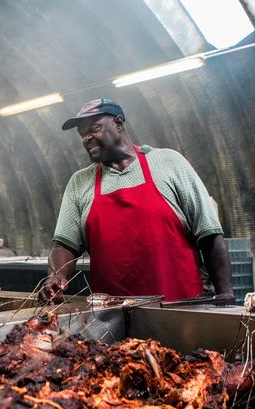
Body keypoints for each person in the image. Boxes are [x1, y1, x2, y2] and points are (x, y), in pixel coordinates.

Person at [39, 99, 234, 304]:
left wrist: (225, 295)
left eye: (94, 128)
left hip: (181, 310)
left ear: (119, 123)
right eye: (82, 134)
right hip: (111, 317)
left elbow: (209, 234)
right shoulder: (80, 182)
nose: (87, 138)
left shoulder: (169, 163)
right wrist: (56, 276)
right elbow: (63, 245)